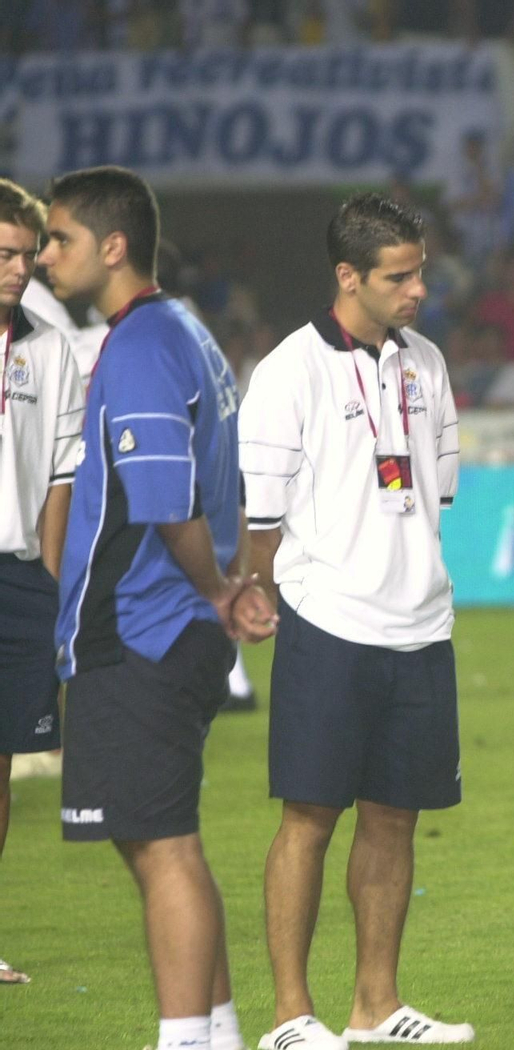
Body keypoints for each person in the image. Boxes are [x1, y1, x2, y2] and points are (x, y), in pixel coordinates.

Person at [42, 165, 275, 1050]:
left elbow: (166, 501)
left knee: (158, 845)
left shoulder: (139, 347)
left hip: (140, 629)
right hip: (177, 627)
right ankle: (213, 1029)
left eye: (59, 239)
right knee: (166, 836)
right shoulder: (188, 333)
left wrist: (221, 588)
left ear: (113, 246)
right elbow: (235, 480)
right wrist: (235, 582)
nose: (47, 256)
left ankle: (185, 1040)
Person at [239, 193, 471, 1050]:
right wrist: (257, 593)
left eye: (421, 272)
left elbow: (435, 491)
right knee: (309, 818)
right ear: (349, 276)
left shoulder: (429, 364)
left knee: (395, 817)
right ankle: (291, 1016)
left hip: (421, 627)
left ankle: (377, 1006)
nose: (418, 290)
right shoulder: (288, 371)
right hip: (327, 622)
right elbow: (259, 519)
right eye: (398, 277)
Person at [0, 177, 83, 986]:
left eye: (25, 254)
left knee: (1, 766)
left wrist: (51, 585)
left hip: (19, 580)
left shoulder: (50, 348)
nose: (18, 268)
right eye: (3, 253)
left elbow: (63, 474)